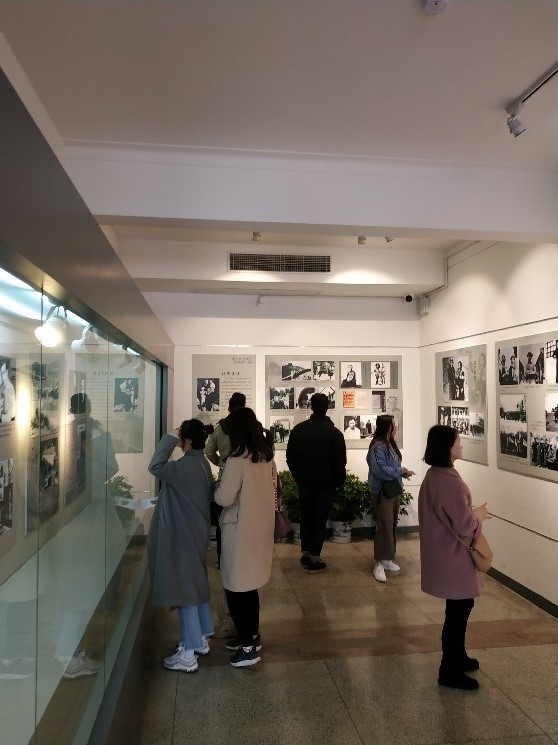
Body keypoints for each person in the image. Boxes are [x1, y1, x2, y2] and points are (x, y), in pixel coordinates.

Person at [418, 425, 491, 690]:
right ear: (447, 448)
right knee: (457, 615)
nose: (461, 445)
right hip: (453, 557)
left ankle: (458, 657)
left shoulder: (434, 475)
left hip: (444, 555)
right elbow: (465, 526)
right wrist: (478, 516)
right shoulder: (450, 482)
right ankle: (449, 670)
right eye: (458, 441)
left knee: (459, 608)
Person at [148, 419, 215, 674]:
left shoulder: (184, 466)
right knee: (195, 585)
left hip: (183, 536)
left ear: (185, 439)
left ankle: (188, 653)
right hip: (195, 533)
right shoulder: (201, 463)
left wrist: (170, 437)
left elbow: (155, 465)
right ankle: (202, 637)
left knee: (184, 590)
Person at [214, 407, 275, 668]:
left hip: (238, 530)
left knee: (237, 589)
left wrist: (215, 489)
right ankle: (251, 637)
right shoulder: (265, 456)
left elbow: (224, 498)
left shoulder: (237, 460)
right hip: (259, 528)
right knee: (251, 587)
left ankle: (248, 647)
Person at [286, 392, 346, 572]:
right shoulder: (334, 433)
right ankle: (314, 558)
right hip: (325, 484)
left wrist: (298, 476)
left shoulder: (299, 430)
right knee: (319, 520)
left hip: (304, 483)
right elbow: (340, 462)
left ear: (311, 406)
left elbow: (290, 457)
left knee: (306, 518)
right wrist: (337, 482)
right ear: (327, 407)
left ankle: (305, 553)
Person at [204, 392, 246, 636]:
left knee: (224, 518)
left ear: (229, 407)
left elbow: (209, 450)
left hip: (225, 474)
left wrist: (219, 462)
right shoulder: (249, 425)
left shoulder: (221, 427)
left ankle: (223, 556)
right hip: (246, 481)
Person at [366, 414, 414, 583]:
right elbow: (380, 470)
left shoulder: (390, 444)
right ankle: (379, 562)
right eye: (394, 424)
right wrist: (399, 471)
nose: (396, 427)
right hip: (381, 492)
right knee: (384, 525)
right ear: (388, 427)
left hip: (392, 490)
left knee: (391, 524)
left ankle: (388, 558)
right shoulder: (378, 447)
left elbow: (391, 467)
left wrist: (402, 472)